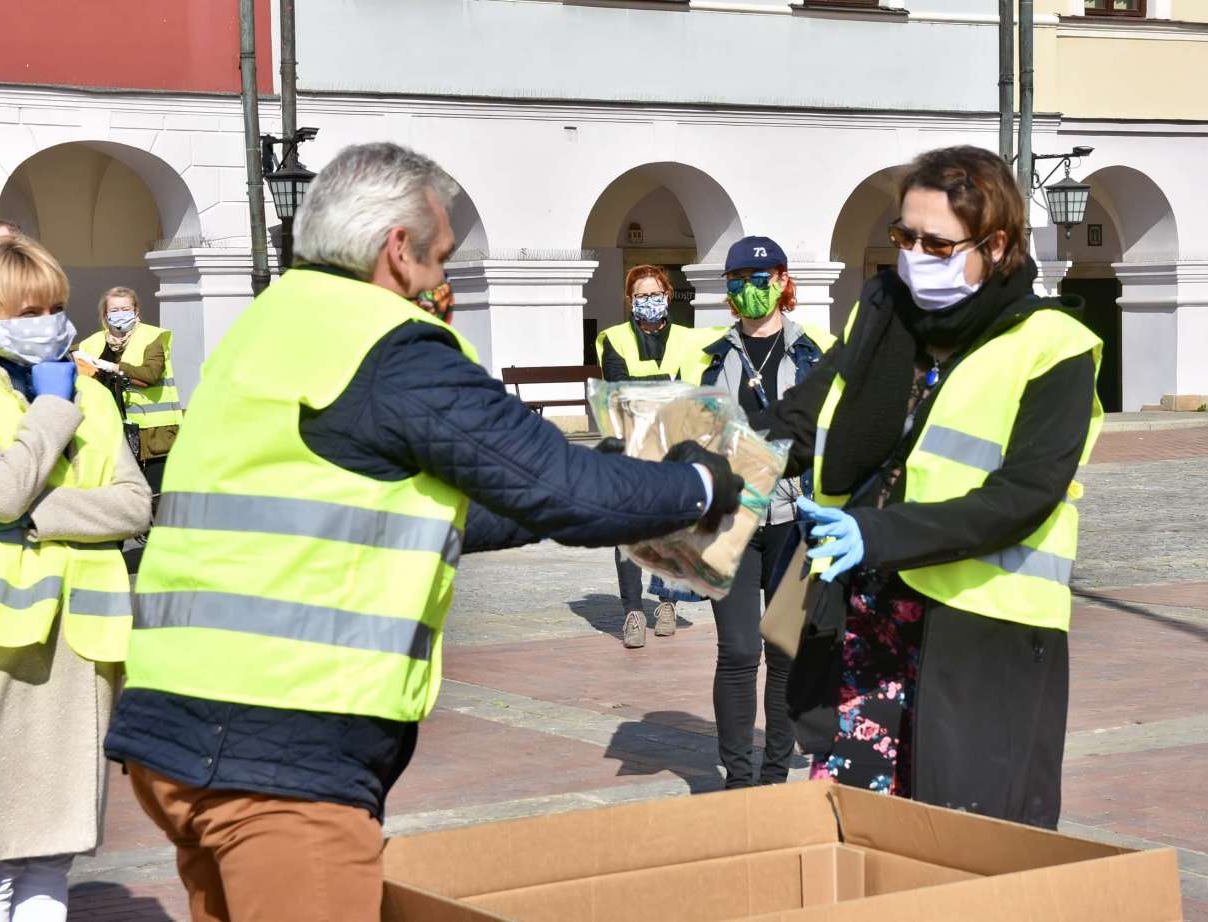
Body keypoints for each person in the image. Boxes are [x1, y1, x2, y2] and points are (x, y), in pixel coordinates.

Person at [103, 142, 743, 922]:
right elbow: (566, 491)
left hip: (174, 728)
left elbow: (439, 506)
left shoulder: (269, 325)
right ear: (396, 250)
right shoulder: (384, 345)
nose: (444, 281)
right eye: (440, 258)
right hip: (285, 748)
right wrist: (698, 483)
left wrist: (615, 471)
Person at [757, 146, 1102, 829]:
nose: (915, 254)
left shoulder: (1053, 346)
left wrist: (876, 533)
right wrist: (703, 463)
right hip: (861, 614)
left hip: (979, 631)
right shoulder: (881, 314)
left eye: (937, 242)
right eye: (905, 236)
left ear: (996, 242)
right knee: (852, 824)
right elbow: (803, 417)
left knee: (963, 834)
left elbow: (1022, 498)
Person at [0, 236, 151, 921]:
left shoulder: (94, 392)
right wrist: (52, 415)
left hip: (79, 650)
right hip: (1, 649)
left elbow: (134, 503)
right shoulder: (62, 399)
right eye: (30, 308)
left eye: (56, 305)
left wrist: (39, 515)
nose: (49, 320)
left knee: (50, 857)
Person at [680, 236, 833, 789]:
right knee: (740, 651)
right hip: (733, 523)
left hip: (796, 521)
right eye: (738, 280)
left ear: (783, 282)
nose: (749, 289)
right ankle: (738, 778)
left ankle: (774, 775)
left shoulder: (815, 353)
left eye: (760, 278)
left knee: (785, 651)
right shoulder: (708, 358)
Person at [596, 264, 699, 648]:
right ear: (630, 300)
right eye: (640, 296)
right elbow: (619, 387)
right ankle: (634, 612)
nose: (648, 302)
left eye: (654, 294)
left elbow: (692, 387)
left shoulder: (688, 340)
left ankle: (668, 602)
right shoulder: (613, 338)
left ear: (667, 296)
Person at [76, 286, 182, 497]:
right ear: (105, 315)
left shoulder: (153, 337)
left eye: (125, 309)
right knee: (120, 492)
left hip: (153, 432)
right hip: (111, 428)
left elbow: (150, 374)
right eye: (114, 310)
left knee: (156, 495)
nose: (120, 314)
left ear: (136, 311)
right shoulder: (91, 343)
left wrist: (115, 368)